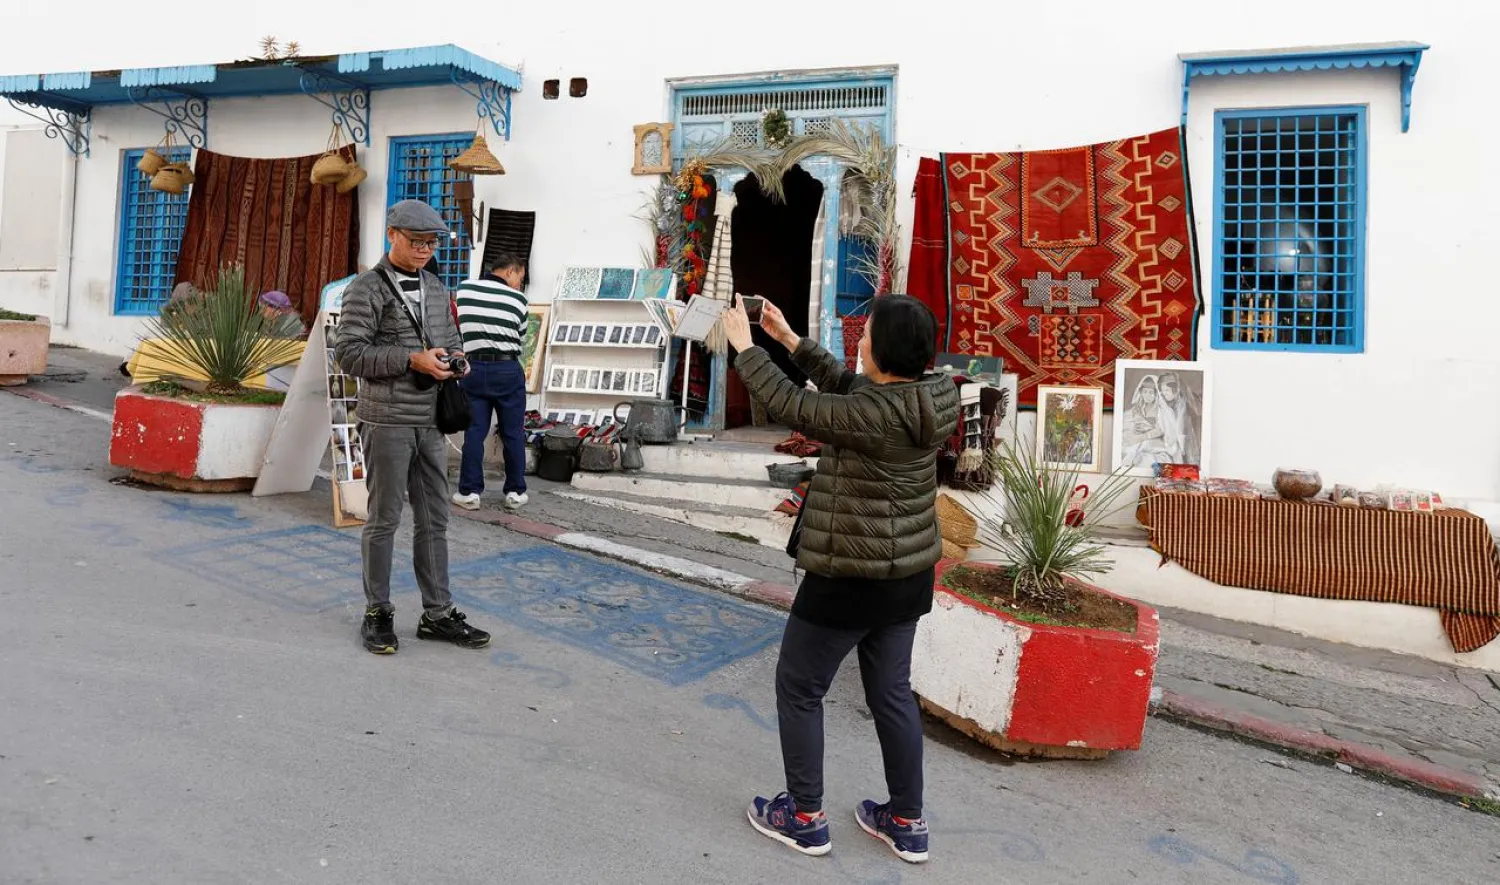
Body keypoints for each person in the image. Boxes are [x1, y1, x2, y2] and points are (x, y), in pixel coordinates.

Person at [724, 293, 959, 866]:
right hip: (906, 577)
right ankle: (907, 821)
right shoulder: (932, 395)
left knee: (800, 687)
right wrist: (786, 338)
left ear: (884, 349)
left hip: (849, 576)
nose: (860, 342)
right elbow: (850, 386)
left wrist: (745, 347)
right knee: (892, 694)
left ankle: (803, 817)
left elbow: (794, 406)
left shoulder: (874, 413)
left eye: (868, 334)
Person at [333, 199, 491, 656]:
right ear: (392, 235)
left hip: (431, 420)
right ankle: (377, 612)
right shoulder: (366, 289)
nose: (424, 249)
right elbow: (348, 354)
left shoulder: (438, 288)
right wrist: (409, 358)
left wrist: (456, 361)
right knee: (384, 519)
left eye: (431, 243)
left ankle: (438, 613)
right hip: (386, 421)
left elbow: (453, 340)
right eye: (416, 241)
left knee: (436, 520)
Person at [450, 250, 530, 513]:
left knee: (474, 432)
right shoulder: (519, 299)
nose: (519, 283)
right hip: (507, 369)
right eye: (519, 276)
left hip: (473, 369)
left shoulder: (464, 290)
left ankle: (469, 492)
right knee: (513, 433)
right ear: (509, 271)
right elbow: (521, 335)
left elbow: (457, 324)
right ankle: (515, 492)